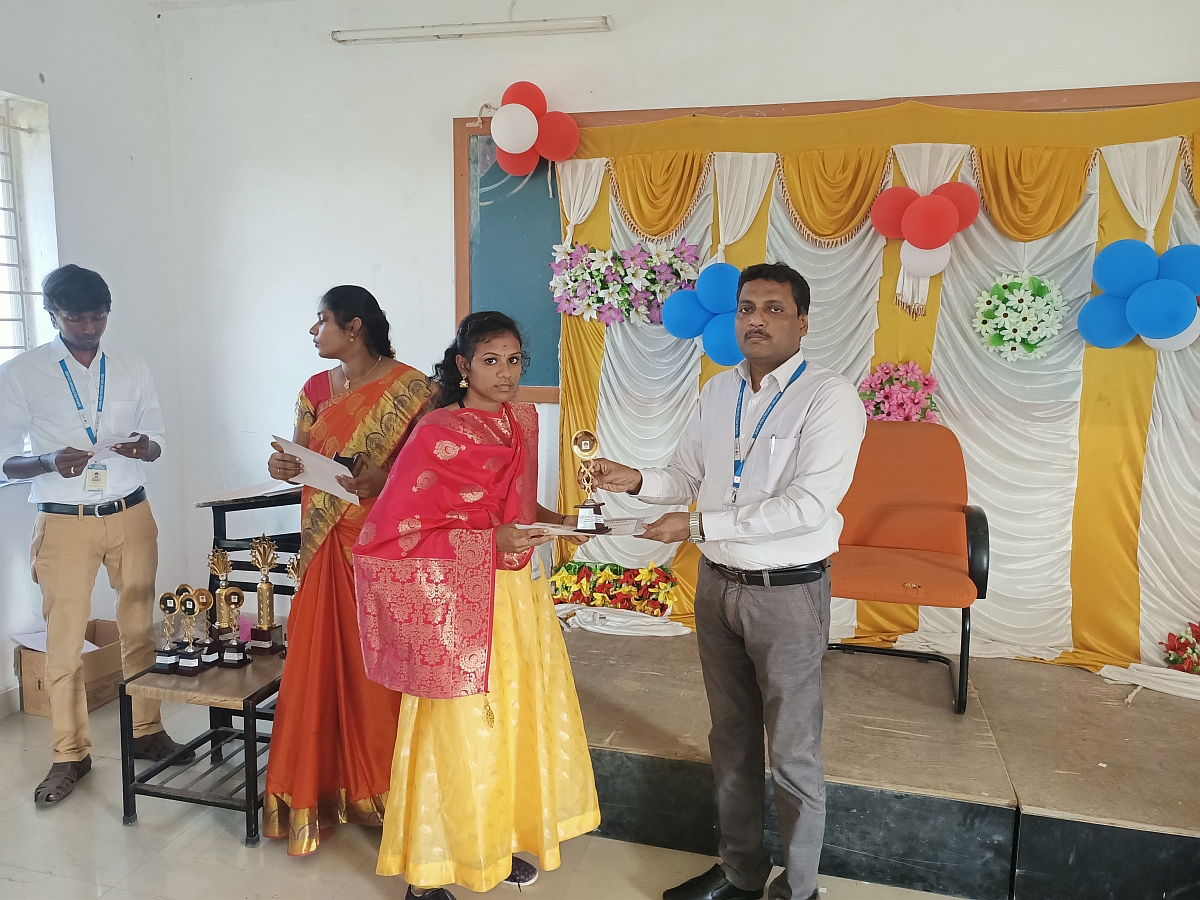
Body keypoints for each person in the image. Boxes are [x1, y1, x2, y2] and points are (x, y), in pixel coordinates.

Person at [586, 263, 867, 900]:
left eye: (773, 309)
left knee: (792, 751)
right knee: (731, 739)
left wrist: (696, 524)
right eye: (746, 308)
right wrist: (637, 479)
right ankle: (740, 874)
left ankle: (799, 890)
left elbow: (807, 506)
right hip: (717, 586)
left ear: (802, 321)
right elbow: (687, 476)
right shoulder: (719, 392)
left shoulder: (828, 397)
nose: (756, 321)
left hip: (787, 593)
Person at [354, 311, 601, 899]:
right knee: (456, 724)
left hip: (518, 595)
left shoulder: (523, 419)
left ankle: (494, 845)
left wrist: (566, 522)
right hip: (457, 596)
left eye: (514, 360)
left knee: (513, 715)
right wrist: (490, 542)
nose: (506, 373)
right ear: (464, 366)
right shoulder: (437, 431)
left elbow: (521, 509)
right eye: (491, 361)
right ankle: (428, 872)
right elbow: (395, 533)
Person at [0, 264, 192, 806]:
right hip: (64, 520)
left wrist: (144, 448)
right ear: (53, 315)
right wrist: (46, 461)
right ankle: (70, 754)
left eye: (98, 316)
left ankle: (147, 730)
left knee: (139, 626)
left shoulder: (131, 367)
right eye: (76, 317)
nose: (88, 327)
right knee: (64, 641)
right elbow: (4, 459)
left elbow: (157, 437)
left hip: (131, 512)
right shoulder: (21, 374)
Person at [262, 285, 433, 855]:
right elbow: (298, 455)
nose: (314, 332)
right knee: (317, 665)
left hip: (380, 547)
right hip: (322, 544)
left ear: (353, 327)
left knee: (377, 671)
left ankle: (390, 791)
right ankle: (323, 786)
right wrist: (283, 464)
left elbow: (431, 473)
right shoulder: (315, 389)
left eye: (322, 321)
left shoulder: (414, 389)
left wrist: (385, 479)